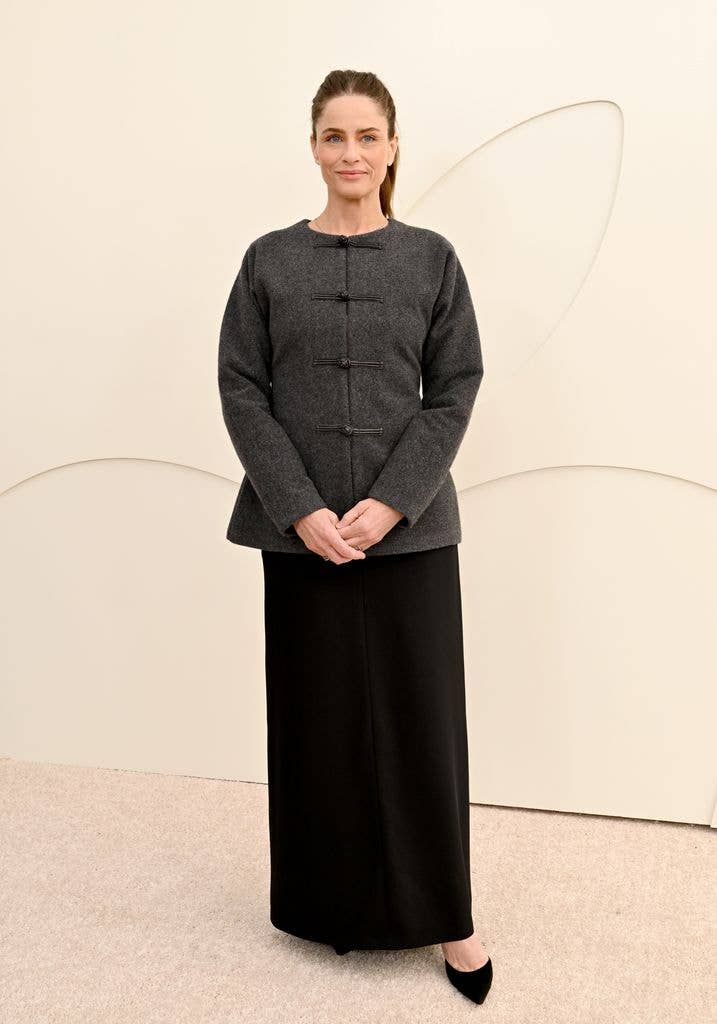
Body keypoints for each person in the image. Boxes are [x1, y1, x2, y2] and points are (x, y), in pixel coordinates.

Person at [217, 68, 492, 1006]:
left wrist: (392, 501)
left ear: (391, 145)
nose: (350, 154)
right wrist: (297, 504)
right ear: (313, 146)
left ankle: (450, 920)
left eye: (367, 136)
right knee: (318, 728)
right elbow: (241, 387)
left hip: (409, 534)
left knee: (422, 728)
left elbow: (455, 385)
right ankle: (329, 906)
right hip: (300, 537)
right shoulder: (266, 259)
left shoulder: (431, 257)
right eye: (334, 137)